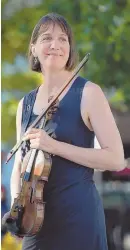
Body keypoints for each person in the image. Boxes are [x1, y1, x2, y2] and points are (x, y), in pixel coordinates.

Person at [8, 13, 125, 250]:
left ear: (70, 49)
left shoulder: (89, 93)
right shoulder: (25, 104)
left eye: (63, 39)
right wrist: (16, 208)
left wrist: (54, 146)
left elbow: (116, 159)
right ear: (33, 48)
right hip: (35, 224)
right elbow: (19, 166)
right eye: (47, 38)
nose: (56, 45)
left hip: (78, 220)